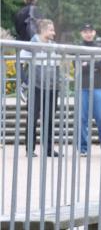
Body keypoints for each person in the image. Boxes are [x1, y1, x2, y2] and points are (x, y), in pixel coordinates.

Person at [24, 19, 61, 157]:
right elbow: (19, 62)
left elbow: (57, 66)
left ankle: (49, 149)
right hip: (36, 86)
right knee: (32, 118)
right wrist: (26, 81)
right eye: (51, 30)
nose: (54, 33)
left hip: (51, 87)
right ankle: (30, 149)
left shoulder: (54, 46)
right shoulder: (31, 45)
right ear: (43, 30)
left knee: (49, 118)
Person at [77, 24, 101, 155]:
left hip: (98, 85)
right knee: (82, 118)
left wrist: (86, 64)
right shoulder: (78, 47)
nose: (88, 34)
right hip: (82, 85)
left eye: (90, 31)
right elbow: (77, 65)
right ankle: (83, 148)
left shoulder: (100, 46)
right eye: (85, 32)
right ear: (81, 33)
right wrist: (92, 64)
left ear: (94, 32)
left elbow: (100, 64)